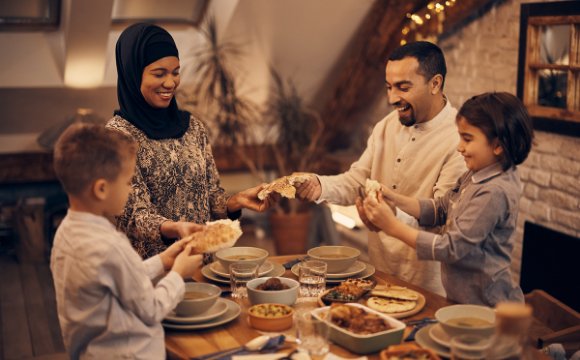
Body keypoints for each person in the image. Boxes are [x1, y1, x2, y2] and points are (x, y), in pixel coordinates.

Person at [295, 42, 466, 296]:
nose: (392, 98)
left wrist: (390, 217)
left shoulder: (459, 140)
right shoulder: (385, 126)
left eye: (403, 87)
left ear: (435, 83)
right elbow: (357, 182)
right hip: (379, 275)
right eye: (388, 87)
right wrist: (320, 185)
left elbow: (444, 222)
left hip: (428, 287)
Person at [107, 23, 278, 261]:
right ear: (132, 73)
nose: (170, 83)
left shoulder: (193, 127)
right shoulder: (117, 137)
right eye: (159, 74)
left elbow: (209, 197)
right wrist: (177, 228)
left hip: (200, 265)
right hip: (150, 275)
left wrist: (235, 201)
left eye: (175, 72)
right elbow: (133, 218)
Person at [363, 92, 533, 306]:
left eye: (467, 139)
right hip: (461, 301)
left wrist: (392, 226)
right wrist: (394, 198)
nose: (459, 147)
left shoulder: (495, 191)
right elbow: (442, 208)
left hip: (487, 307)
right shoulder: (476, 173)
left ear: (499, 145)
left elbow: (450, 248)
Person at [51, 123, 203, 359]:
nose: (131, 189)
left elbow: (117, 277)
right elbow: (152, 308)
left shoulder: (65, 234)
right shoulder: (111, 245)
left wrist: (163, 261)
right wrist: (178, 274)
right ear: (101, 189)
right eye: (128, 182)